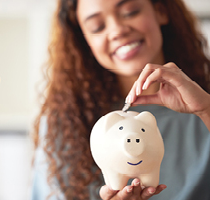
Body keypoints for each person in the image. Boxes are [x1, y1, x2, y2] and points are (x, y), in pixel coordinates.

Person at [31, 0, 210, 199]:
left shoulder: (204, 103)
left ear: (160, 10)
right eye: (97, 27)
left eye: (130, 12)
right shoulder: (65, 123)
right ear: (85, 42)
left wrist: (206, 109)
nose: (117, 30)